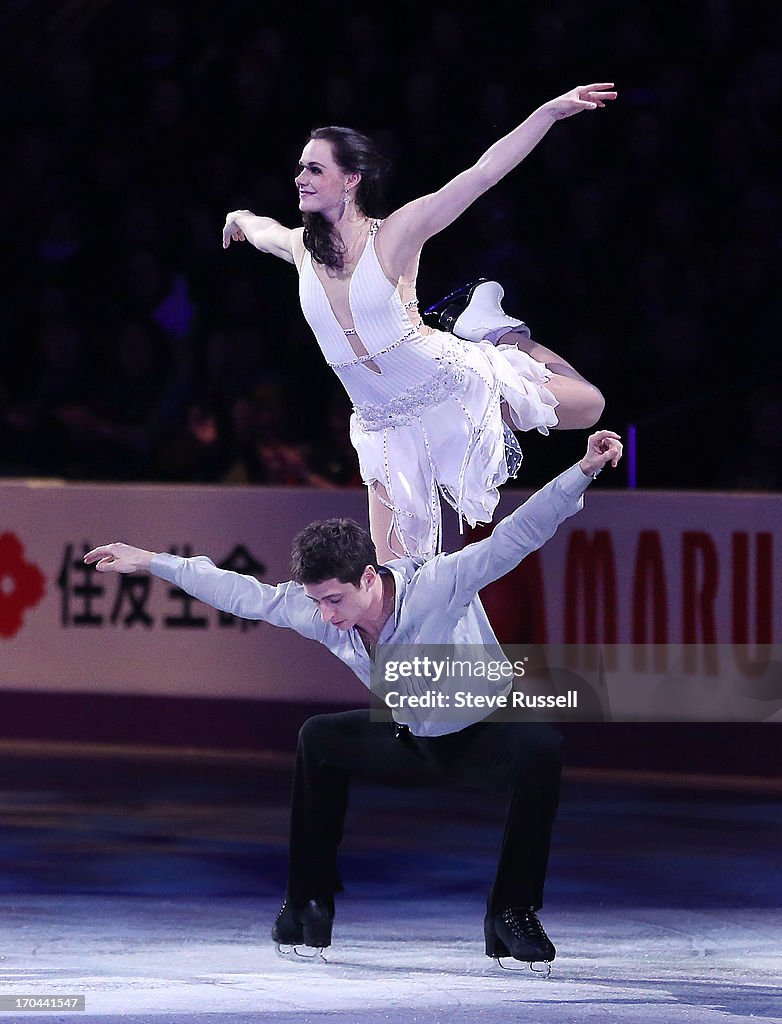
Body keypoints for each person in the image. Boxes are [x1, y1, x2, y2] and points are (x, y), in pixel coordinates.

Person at [84, 428, 623, 970]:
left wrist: (583, 469)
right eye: (317, 601)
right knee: (319, 738)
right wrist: (155, 561)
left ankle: (511, 912)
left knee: (540, 746)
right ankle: (309, 903)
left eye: (335, 599)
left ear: (369, 576)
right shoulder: (325, 614)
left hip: (483, 735)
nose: (327, 615)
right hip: (410, 738)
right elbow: (246, 595)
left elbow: (518, 534)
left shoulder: (439, 585)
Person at [221, 83, 617, 562]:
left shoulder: (394, 235)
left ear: (351, 181)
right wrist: (240, 216)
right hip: (385, 423)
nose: (300, 177)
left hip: (447, 384)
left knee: (590, 406)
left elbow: (482, 173)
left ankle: (495, 331)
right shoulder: (303, 249)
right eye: (301, 167)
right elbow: (266, 232)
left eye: (315, 168)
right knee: (394, 579)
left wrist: (550, 113)